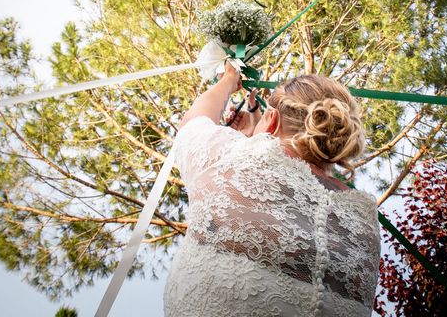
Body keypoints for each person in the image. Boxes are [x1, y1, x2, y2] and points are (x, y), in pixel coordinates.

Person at [163, 61, 381, 316]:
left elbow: (193, 121)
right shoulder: (364, 218)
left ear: (272, 119)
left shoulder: (235, 157)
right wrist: (254, 137)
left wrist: (228, 79)